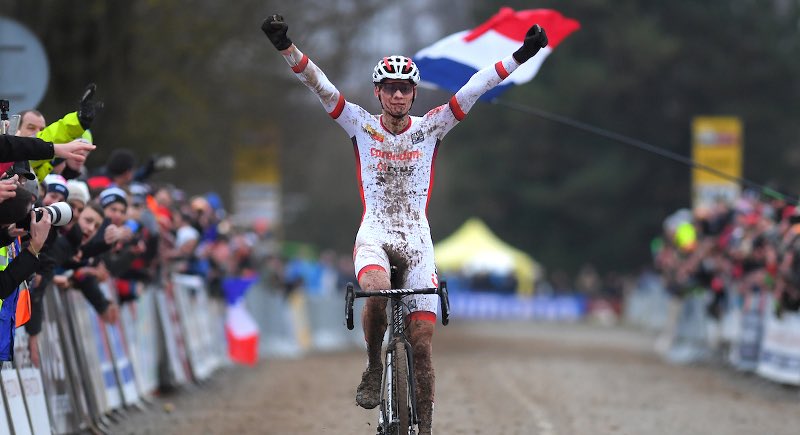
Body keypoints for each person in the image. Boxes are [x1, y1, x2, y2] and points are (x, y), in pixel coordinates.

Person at [261, 13, 548, 434]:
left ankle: (425, 425)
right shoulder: (359, 123)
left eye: (405, 88)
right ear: (378, 92)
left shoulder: (432, 126)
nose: (397, 95)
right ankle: (375, 366)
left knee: (423, 345)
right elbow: (319, 85)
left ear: (414, 94)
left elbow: (476, 87)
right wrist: (285, 46)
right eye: (390, 88)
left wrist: (522, 53)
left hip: (417, 241)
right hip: (375, 234)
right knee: (375, 293)